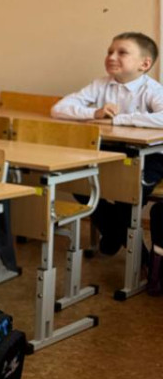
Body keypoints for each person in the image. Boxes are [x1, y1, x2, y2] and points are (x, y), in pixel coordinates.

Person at [51, 31, 163, 255]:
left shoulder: (152, 89)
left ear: (144, 64)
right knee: (78, 183)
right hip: (108, 152)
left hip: (149, 157)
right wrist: (95, 112)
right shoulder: (100, 84)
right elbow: (58, 109)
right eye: (110, 52)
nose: (112, 57)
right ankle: (120, 237)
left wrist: (119, 119)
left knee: (128, 196)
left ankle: (118, 238)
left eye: (122, 53)